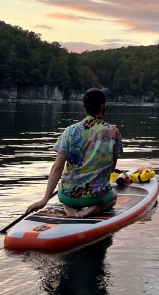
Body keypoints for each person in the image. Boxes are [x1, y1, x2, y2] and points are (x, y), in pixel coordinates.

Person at [26, 88, 122, 218]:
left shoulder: (70, 131)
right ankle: (94, 209)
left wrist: (45, 200)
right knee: (113, 198)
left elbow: (57, 167)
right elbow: (111, 168)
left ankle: (69, 207)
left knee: (64, 194)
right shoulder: (114, 132)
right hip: (97, 196)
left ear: (85, 108)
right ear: (102, 106)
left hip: (68, 195)